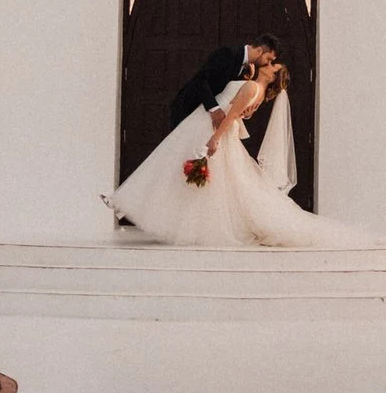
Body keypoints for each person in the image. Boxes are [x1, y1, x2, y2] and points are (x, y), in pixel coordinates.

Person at [108, 49, 371, 247]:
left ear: (272, 74)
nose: (267, 64)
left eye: (271, 65)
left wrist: (214, 139)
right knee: (177, 167)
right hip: (203, 126)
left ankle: (130, 203)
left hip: (210, 130)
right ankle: (127, 202)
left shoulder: (251, 87)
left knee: (178, 167)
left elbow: (230, 115)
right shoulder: (253, 88)